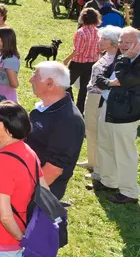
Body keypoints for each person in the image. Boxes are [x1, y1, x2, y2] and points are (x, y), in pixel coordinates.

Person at [0, 101, 44, 257]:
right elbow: (44, 190)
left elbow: (5, 215)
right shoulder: (27, 151)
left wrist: (22, 239)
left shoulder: (2, 162)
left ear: (9, 129)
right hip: (21, 228)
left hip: (1, 240)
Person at [91, 27, 140, 204]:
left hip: (126, 113)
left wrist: (124, 61)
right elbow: (100, 79)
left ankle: (129, 192)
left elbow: (126, 79)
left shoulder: (128, 60)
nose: (123, 45)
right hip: (108, 106)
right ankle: (108, 181)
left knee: (124, 153)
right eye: (121, 41)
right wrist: (112, 82)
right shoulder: (121, 58)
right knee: (105, 145)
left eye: (128, 42)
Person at [26, 62, 85, 199]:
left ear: (50, 84)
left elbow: (53, 169)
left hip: (41, 192)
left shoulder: (68, 120)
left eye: (35, 76)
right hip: (27, 179)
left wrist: (26, 194)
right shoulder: (42, 108)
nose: (30, 79)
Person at [77, 25, 121, 180]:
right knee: (90, 127)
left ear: (114, 42)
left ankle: (98, 168)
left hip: (100, 98)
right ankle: (92, 160)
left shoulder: (116, 60)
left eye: (104, 39)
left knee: (97, 131)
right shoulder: (105, 55)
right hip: (92, 95)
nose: (100, 40)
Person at [62, 8, 102, 113]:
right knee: (84, 88)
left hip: (78, 63)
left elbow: (77, 51)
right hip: (92, 63)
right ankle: (80, 109)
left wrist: (66, 59)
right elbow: (99, 49)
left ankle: (69, 105)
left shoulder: (81, 32)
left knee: (64, 83)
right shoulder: (98, 32)